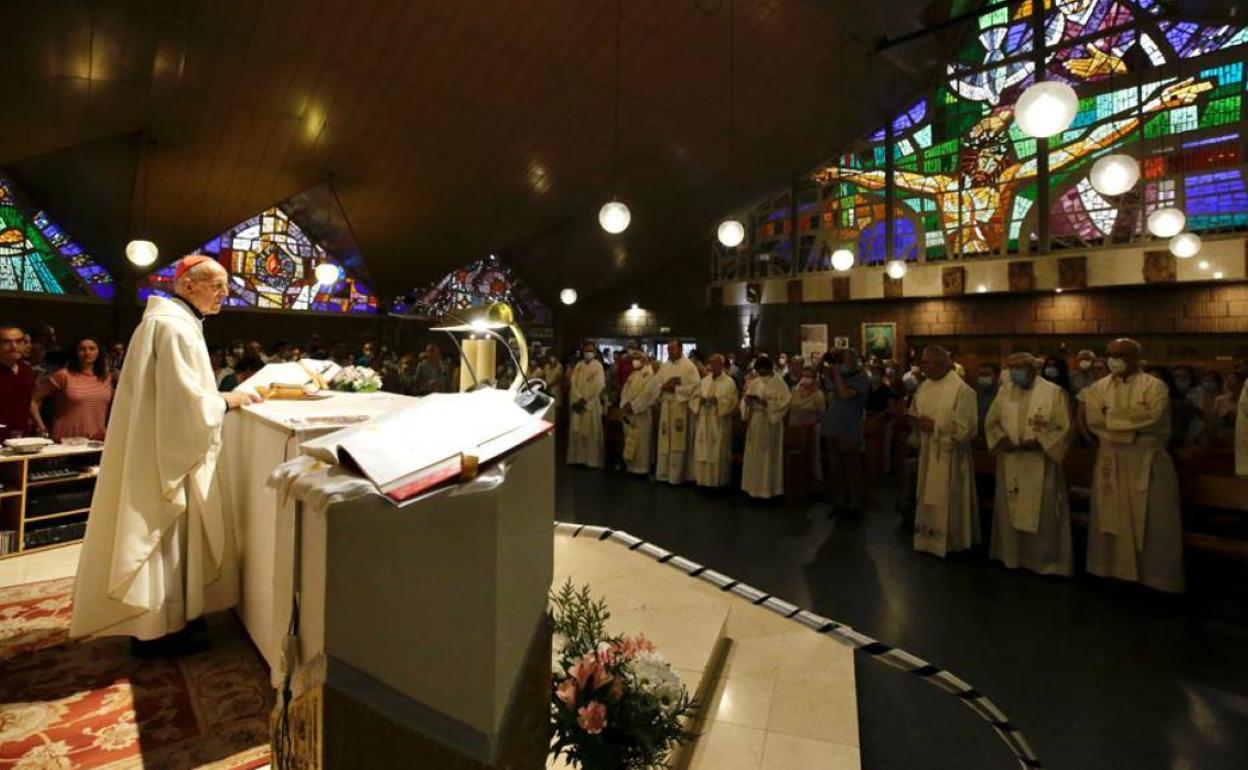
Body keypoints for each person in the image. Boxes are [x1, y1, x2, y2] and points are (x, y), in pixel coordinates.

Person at [70, 255, 264, 651]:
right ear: (188, 286)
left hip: (163, 445)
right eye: (216, 285)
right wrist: (227, 401)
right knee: (161, 534)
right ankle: (155, 632)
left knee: (175, 538)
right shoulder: (173, 328)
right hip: (166, 453)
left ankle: (176, 618)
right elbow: (185, 404)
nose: (225, 294)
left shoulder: (174, 323)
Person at [1081, 338, 1184, 593]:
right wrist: (1129, 426)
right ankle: (1111, 572)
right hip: (1111, 462)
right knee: (1110, 517)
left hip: (1146, 462)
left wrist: (1112, 421)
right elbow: (1094, 419)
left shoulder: (1155, 386)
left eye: (1121, 354)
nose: (1114, 359)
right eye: (1110, 354)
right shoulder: (1098, 387)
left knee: (1152, 521)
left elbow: (1153, 416)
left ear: (1137, 358)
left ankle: (1156, 579)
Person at [985, 353, 1074, 576]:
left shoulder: (1053, 392)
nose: (1015, 372)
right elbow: (991, 422)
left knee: (1043, 513)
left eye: (1020, 367)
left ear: (1034, 369)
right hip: (1012, 460)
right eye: (1011, 367)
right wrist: (1000, 438)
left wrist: (1042, 443)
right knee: (1010, 509)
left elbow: (1064, 427)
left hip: (1040, 463)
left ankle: (1044, 562)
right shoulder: (1005, 392)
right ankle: (1012, 557)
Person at [908, 346, 979, 557]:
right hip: (929, 451)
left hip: (950, 454)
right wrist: (916, 422)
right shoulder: (924, 386)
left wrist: (935, 426)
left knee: (949, 496)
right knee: (926, 494)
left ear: (940, 364)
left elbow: (967, 428)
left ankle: (951, 541)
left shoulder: (962, 390)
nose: (922, 366)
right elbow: (914, 411)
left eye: (926, 362)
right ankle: (927, 539)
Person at [629, 340, 700, 484]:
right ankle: (663, 474)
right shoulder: (665, 367)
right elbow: (655, 386)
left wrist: (675, 389)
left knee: (678, 442)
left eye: (672, 348)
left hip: (680, 408)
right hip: (666, 408)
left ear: (680, 349)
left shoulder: (689, 367)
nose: (669, 351)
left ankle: (678, 476)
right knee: (664, 441)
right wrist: (663, 387)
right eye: (668, 349)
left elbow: (695, 388)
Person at [32, 336, 114, 441]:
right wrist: (41, 427)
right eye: (82, 349)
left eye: (92, 349)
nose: (87, 352)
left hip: (97, 440)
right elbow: (33, 400)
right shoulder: (64, 375)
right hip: (66, 438)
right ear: (76, 352)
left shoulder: (106, 377)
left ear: (99, 352)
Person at [821, 349, 872, 514]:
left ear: (856, 361)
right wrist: (826, 362)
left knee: (852, 471)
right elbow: (824, 378)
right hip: (833, 429)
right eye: (842, 360)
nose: (844, 364)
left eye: (848, 360)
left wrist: (836, 375)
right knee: (835, 471)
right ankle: (839, 503)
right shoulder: (841, 376)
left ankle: (855, 505)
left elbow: (845, 395)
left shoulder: (862, 379)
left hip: (849, 431)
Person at [741, 355, 791, 499]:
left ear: (769, 369)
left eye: (763, 371)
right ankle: (753, 489)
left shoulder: (779, 383)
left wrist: (767, 404)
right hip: (756, 421)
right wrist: (746, 401)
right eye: (758, 371)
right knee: (754, 456)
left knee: (768, 456)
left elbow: (785, 402)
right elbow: (745, 402)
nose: (760, 374)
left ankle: (769, 490)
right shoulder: (754, 382)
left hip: (770, 424)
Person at [689, 354, 738, 488]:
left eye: (717, 364)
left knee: (717, 452)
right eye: (711, 363)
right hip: (704, 420)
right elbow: (694, 398)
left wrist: (718, 401)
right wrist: (699, 401)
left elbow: (733, 402)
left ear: (722, 365)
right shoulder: (704, 381)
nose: (713, 366)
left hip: (719, 421)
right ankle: (702, 480)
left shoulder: (729, 382)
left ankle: (719, 482)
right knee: (703, 450)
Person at [567, 343, 605, 468]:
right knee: (577, 432)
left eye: (590, 350)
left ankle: (591, 461)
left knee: (591, 432)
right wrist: (577, 399)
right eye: (586, 350)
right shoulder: (579, 365)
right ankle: (578, 459)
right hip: (578, 403)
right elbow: (573, 383)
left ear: (594, 352)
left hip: (591, 404)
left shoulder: (598, 366)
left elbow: (598, 385)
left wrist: (585, 400)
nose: (588, 353)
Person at [618, 351, 654, 475]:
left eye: (638, 358)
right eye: (633, 359)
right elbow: (624, 391)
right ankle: (630, 467)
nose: (635, 361)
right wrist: (624, 404)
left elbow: (648, 395)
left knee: (641, 443)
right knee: (630, 441)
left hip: (641, 415)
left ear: (644, 360)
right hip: (629, 414)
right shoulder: (632, 375)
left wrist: (633, 406)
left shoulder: (649, 375)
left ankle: (641, 469)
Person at [0, 324, 36, 438]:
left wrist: (40, 426)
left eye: (19, 341)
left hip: (21, 436)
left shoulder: (26, 369)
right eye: (7, 342)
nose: (14, 346)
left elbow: (30, 400)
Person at [974, 362, 1001, 442]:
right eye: (980, 375)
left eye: (986, 375)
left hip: (996, 439)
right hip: (978, 440)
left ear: (997, 376)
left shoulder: (1002, 395)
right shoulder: (975, 394)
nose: (983, 378)